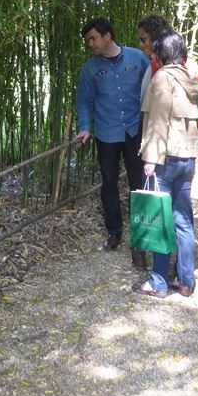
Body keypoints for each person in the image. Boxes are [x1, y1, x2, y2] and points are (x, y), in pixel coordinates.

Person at [132, 30, 198, 299]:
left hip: (165, 158)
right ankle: (186, 281)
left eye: (154, 51)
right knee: (183, 220)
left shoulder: (163, 77)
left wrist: (150, 158)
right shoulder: (189, 77)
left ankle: (159, 282)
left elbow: (158, 121)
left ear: (162, 53)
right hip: (187, 157)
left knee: (160, 218)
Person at [74, 17, 149, 264]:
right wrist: (85, 127)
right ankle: (114, 232)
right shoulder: (90, 68)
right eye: (88, 40)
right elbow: (84, 100)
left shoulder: (137, 58)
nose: (91, 44)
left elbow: (151, 89)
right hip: (106, 134)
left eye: (93, 38)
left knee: (138, 184)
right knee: (109, 183)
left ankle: (140, 238)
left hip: (133, 131)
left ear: (107, 35)